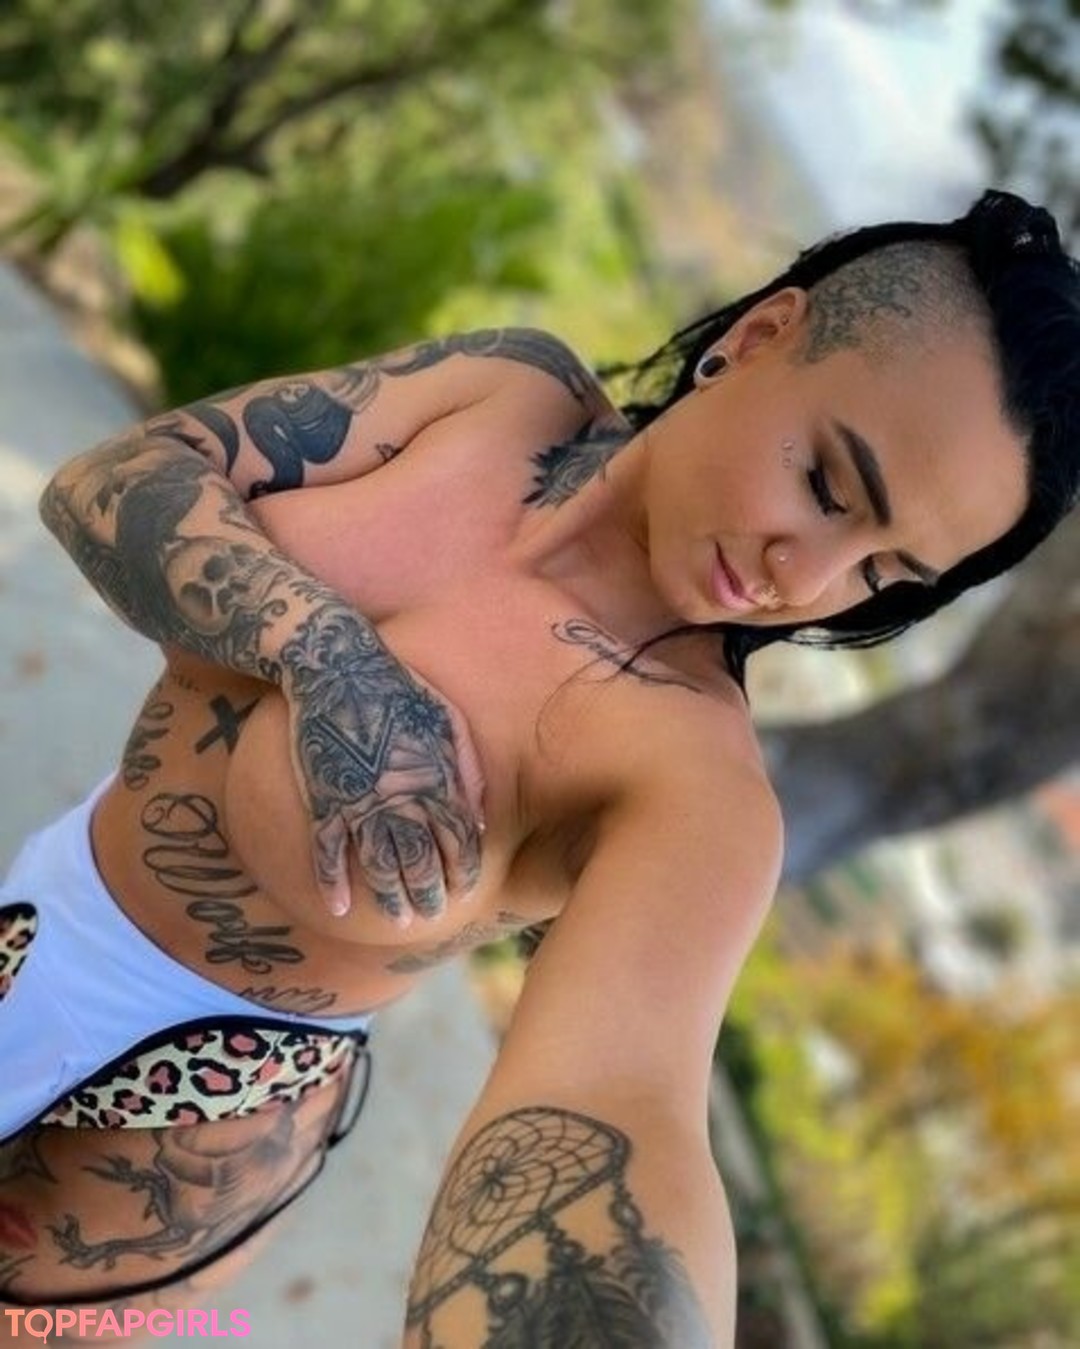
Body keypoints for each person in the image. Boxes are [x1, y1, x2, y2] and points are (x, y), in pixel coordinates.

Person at [1, 188, 1077, 1347]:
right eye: (826, 484)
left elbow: (624, 1100)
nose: (806, 581)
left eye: (882, 573)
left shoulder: (695, 783)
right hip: (44, 898)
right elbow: (112, 481)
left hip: (161, 1139)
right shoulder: (505, 393)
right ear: (760, 336)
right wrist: (326, 654)